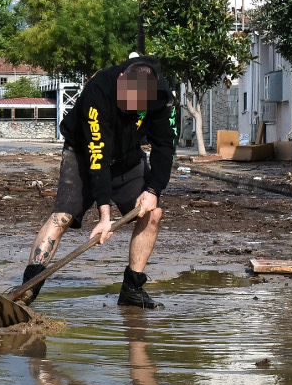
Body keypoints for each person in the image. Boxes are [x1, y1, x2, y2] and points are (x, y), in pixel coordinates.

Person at [20, 56, 177, 309]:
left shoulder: (162, 96)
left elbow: (165, 146)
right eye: (127, 101)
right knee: (62, 216)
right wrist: (105, 215)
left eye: (137, 105)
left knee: (153, 213)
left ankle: (132, 290)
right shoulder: (99, 89)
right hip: (83, 154)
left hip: (128, 156)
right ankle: (27, 290)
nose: (130, 108)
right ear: (122, 80)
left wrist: (152, 190)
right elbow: (97, 156)